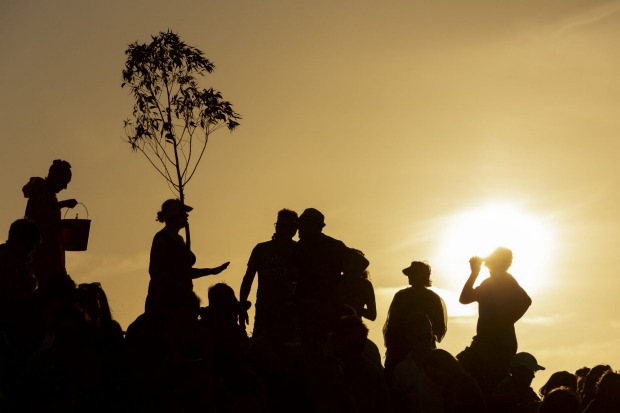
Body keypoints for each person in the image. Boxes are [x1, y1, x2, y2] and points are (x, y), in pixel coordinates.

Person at [457, 247, 532, 396]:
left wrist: (506, 321)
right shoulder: (490, 282)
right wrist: (474, 273)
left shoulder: (504, 280)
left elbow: (526, 300)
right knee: (472, 375)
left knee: (487, 383)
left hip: (498, 344)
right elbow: (464, 298)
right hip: (488, 341)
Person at [145, 199, 229, 313]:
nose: (187, 215)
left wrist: (211, 271)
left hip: (181, 298)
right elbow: (156, 272)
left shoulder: (179, 239)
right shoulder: (161, 238)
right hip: (166, 302)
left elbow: (184, 273)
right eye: (183, 213)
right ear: (175, 215)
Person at [293, 208, 369, 327]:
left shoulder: (300, 248)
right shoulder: (333, 245)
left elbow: (362, 262)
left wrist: (343, 282)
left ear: (312, 225)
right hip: (324, 307)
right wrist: (344, 281)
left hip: (311, 309)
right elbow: (362, 262)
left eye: (301, 224)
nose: (298, 228)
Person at [383, 261, 447, 383]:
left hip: (414, 350)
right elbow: (392, 325)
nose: (409, 277)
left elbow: (439, 328)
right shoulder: (428, 298)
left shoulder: (404, 296)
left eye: (412, 274)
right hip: (401, 348)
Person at [238, 209, 298, 338]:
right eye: (278, 225)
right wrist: (242, 306)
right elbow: (248, 279)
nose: (279, 229)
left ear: (294, 229)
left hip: (290, 311)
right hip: (265, 310)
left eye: (284, 226)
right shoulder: (261, 249)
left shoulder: (300, 251)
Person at [22, 159, 78, 287]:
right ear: (55, 177)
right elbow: (44, 221)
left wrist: (63, 204)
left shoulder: (47, 193)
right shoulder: (41, 190)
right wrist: (67, 225)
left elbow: (48, 211)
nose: (65, 187)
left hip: (47, 254)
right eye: (64, 182)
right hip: (42, 256)